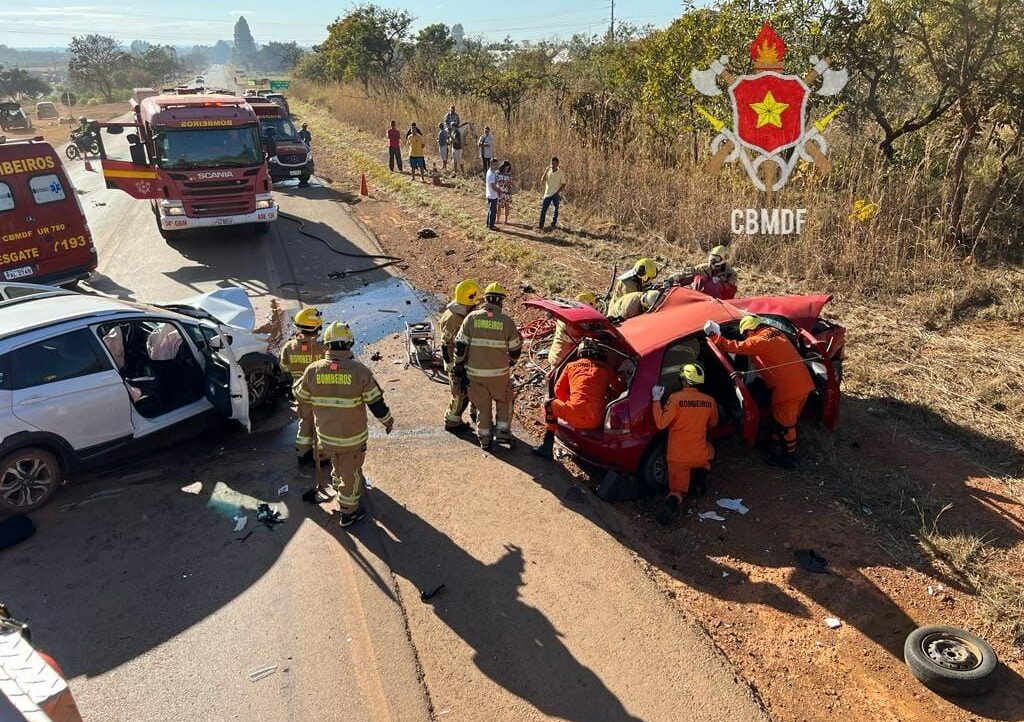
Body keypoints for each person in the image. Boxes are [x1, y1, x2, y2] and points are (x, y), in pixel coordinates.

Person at [294, 322, 394, 527]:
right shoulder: (359, 371)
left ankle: (339, 482)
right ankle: (349, 512)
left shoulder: (313, 370)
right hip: (351, 438)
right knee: (353, 473)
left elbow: (300, 395)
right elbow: (376, 403)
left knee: (338, 464)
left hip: (325, 437)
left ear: (327, 345)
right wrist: (388, 421)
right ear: (349, 344)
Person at [705, 315, 814, 467]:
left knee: (785, 426)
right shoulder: (775, 332)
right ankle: (775, 445)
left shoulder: (758, 340)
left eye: (745, 334)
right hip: (803, 384)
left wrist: (714, 337)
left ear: (750, 330)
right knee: (781, 420)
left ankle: (788, 457)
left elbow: (734, 346)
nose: (745, 337)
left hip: (788, 392)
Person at [453, 282, 523, 450]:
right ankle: (502, 434)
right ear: (501, 301)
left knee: (482, 406)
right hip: (499, 375)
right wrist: (511, 362)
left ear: (485, 299)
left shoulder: (471, 318)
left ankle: (484, 439)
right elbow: (515, 349)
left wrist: (459, 364)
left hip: (475, 374)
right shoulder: (507, 322)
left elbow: (460, 345)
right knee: (503, 402)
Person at [533, 338, 624, 459]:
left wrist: (571, 401)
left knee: (550, 404)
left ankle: (547, 446)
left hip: (572, 416)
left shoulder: (571, 366)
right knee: (608, 401)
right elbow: (619, 390)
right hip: (596, 421)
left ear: (580, 353)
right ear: (598, 353)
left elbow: (558, 390)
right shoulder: (606, 369)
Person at [652, 363, 718, 525]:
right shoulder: (710, 401)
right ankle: (700, 477)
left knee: (677, 491)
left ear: (684, 381)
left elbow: (661, 423)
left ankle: (671, 504)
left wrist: (656, 400)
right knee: (710, 452)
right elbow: (713, 423)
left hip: (677, 457)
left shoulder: (675, 399)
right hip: (699, 454)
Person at [280, 308, 332, 502]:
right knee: (322, 425)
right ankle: (322, 456)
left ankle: (303, 455)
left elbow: (284, 367)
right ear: (317, 328)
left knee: (305, 424)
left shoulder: (288, 347)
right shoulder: (322, 349)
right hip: (321, 395)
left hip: (301, 394)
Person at [439, 279, 481, 432]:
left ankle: (467, 414)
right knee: (459, 394)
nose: (476, 306)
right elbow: (446, 344)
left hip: (463, 361)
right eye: (474, 303)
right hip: (456, 364)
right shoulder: (453, 318)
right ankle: (452, 422)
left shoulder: (462, 313)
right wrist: (453, 367)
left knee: (466, 391)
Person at [547, 292, 597, 367]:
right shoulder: (572, 322)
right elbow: (585, 333)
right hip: (563, 359)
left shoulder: (566, 316)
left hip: (555, 355)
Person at [538, 156, 566, 230]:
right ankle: (540, 226)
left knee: (555, 210)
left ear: (557, 164)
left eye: (554, 163)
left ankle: (553, 225)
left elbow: (563, 184)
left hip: (555, 194)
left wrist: (557, 192)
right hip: (547, 194)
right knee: (543, 210)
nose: (552, 165)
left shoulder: (560, 173)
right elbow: (542, 181)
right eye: (551, 163)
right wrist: (546, 171)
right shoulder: (548, 171)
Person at [496, 160, 514, 224]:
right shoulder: (497, 173)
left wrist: (509, 183)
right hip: (500, 192)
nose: (507, 169)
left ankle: (506, 220)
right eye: (505, 167)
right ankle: (497, 220)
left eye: (508, 168)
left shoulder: (509, 175)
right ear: (502, 166)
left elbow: (511, 184)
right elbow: (496, 182)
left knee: (507, 206)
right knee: (499, 206)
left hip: (507, 192)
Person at [485, 158, 500, 230]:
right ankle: (491, 226)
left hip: (490, 194)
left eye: (496, 164)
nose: (496, 166)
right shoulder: (491, 174)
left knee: (490, 210)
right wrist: (499, 191)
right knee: (493, 211)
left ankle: (488, 224)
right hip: (492, 195)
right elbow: (493, 186)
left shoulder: (491, 171)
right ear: (491, 164)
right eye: (494, 164)